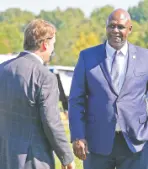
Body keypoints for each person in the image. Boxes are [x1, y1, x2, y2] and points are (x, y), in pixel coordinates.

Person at [68, 8, 148, 169]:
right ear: (106, 27)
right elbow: (76, 100)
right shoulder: (87, 57)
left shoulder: (145, 58)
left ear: (130, 29)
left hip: (137, 143)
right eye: (111, 26)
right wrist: (78, 136)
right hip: (97, 143)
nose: (115, 31)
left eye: (120, 27)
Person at [0, 19, 75, 169]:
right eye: (53, 45)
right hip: (33, 158)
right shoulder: (45, 76)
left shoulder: (2, 69)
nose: (52, 50)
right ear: (44, 44)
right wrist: (66, 156)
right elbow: (51, 121)